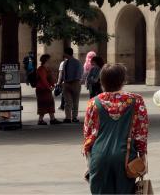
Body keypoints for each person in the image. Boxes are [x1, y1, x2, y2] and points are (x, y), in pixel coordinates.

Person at [83, 62, 150, 194]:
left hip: (99, 155)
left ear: (102, 81)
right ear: (123, 80)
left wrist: (89, 159)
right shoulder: (136, 100)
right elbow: (141, 131)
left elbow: (88, 133)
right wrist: (142, 155)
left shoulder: (93, 103)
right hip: (125, 156)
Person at [59, 46, 84, 123]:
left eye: (64, 53)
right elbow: (63, 73)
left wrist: (73, 80)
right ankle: (68, 117)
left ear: (67, 53)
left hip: (75, 82)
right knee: (67, 101)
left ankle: (74, 117)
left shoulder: (77, 62)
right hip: (66, 83)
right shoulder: (65, 62)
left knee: (75, 101)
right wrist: (61, 82)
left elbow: (79, 73)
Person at [35, 53, 58, 126]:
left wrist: (52, 85)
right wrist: (49, 87)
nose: (50, 61)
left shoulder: (46, 68)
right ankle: (41, 120)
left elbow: (49, 78)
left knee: (50, 103)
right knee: (43, 104)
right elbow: (43, 80)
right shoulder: (41, 69)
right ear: (46, 60)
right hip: (42, 89)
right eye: (49, 60)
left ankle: (52, 118)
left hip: (45, 89)